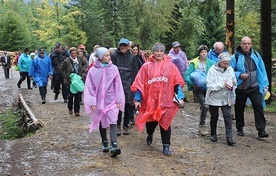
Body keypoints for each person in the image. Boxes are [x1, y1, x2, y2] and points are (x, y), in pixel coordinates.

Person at [131, 43, 184, 156]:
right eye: (157, 51)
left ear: (164, 52)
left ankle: (166, 146)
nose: (159, 53)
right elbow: (141, 83)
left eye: (161, 51)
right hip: (151, 102)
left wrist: (180, 96)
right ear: (153, 52)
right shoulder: (146, 67)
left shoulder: (171, 66)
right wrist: (138, 99)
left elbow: (177, 82)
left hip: (166, 101)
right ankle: (150, 134)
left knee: (165, 124)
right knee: (151, 124)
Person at [84, 47, 125, 157]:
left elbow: (118, 84)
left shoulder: (114, 69)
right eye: (106, 55)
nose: (109, 57)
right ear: (100, 57)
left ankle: (114, 145)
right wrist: (92, 102)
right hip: (98, 101)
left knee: (113, 121)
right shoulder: (93, 70)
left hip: (111, 100)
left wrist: (119, 99)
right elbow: (90, 87)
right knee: (102, 121)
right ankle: (104, 141)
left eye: (109, 55)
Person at [230, 36, 269, 138]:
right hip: (240, 87)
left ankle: (261, 130)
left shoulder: (256, 55)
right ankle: (239, 128)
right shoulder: (235, 57)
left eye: (248, 44)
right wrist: (239, 75)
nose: (247, 45)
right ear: (241, 44)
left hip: (254, 87)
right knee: (239, 108)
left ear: (251, 44)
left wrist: (265, 84)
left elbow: (262, 69)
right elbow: (229, 71)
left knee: (258, 107)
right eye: (245, 44)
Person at [205, 52, 236, 146]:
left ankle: (229, 137)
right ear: (220, 62)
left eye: (228, 63)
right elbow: (210, 86)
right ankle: (213, 134)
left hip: (226, 97)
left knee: (228, 116)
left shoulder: (230, 69)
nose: (226, 65)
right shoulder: (212, 70)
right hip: (214, 97)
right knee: (214, 117)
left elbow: (233, 80)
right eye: (224, 63)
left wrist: (233, 84)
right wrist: (223, 85)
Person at [184, 45, 215, 136]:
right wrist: (193, 84)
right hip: (197, 89)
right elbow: (187, 75)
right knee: (205, 106)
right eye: (202, 52)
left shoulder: (211, 63)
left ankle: (209, 125)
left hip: (208, 88)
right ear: (199, 53)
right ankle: (202, 125)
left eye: (205, 52)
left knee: (207, 106)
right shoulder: (194, 63)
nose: (204, 54)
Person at [111, 38, 138, 135]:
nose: (123, 47)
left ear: (128, 46)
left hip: (128, 85)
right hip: (116, 85)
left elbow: (135, 72)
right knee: (117, 106)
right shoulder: (113, 56)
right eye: (121, 45)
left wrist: (133, 85)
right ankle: (117, 126)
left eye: (125, 45)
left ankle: (125, 126)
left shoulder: (132, 57)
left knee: (128, 106)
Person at [59, 47, 87, 116]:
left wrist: (83, 70)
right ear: (70, 54)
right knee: (71, 96)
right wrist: (65, 77)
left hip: (78, 80)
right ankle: (70, 108)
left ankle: (77, 110)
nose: (74, 55)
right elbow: (61, 70)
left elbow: (85, 64)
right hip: (70, 81)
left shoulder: (79, 60)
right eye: (72, 53)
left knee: (78, 96)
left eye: (75, 53)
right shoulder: (67, 61)